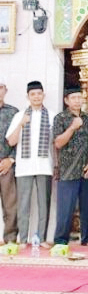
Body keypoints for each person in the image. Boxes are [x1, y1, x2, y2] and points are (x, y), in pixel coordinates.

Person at [6, 81, 54, 248]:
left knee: (44, 204)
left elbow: (55, 143)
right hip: (24, 166)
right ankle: (23, 239)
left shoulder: (52, 115)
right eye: (33, 94)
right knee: (23, 204)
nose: (36, 97)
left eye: (39, 93)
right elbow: (11, 141)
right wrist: (20, 124)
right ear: (28, 97)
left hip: (45, 165)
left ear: (43, 95)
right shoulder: (19, 115)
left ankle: (42, 238)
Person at [52, 85, 88, 246]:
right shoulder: (60, 118)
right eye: (73, 98)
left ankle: (86, 238)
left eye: (79, 97)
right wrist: (72, 127)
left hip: (85, 169)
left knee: (86, 207)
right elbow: (58, 143)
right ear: (66, 100)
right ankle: (60, 240)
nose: (77, 101)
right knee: (65, 208)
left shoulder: (87, 118)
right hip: (67, 170)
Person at [0, 77, 19, 245]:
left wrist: (11, 159)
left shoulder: (14, 112)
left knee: (10, 204)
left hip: (6, 165)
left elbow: (21, 139)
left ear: (5, 90)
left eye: (0, 87)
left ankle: (10, 240)